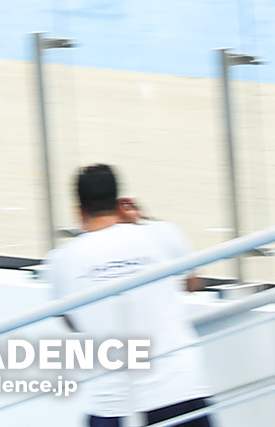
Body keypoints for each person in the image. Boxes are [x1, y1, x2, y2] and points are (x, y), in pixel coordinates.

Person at [46, 164, 212, 427]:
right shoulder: (161, 234)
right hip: (181, 389)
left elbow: (72, 322)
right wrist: (141, 222)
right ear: (119, 202)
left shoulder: (60, 261)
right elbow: (192, 282)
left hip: (115, 404)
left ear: (78, 212)